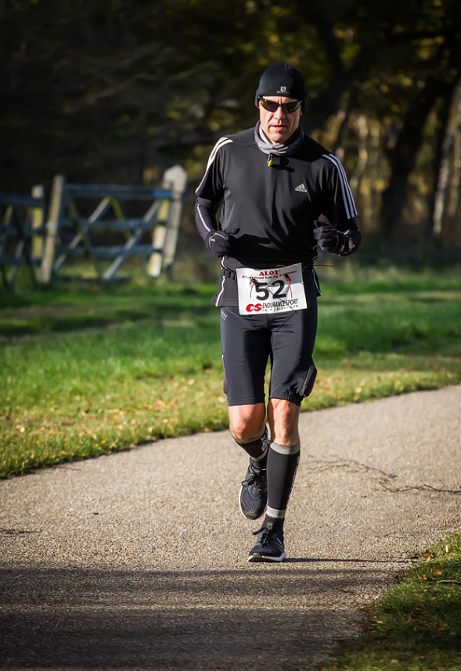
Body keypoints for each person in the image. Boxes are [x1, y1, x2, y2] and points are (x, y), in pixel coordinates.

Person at [194, 64, 361, 562]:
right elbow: (202, 199)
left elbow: (352, 232)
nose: (279, 115)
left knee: (284, 411)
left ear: (301, 110)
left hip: (295, 299)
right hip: (240, 294)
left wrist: (339, 241)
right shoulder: (229, 150)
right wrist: (210, 237)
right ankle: (260, 460)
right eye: (270, 105)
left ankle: (274, 530)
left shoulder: (323, 164)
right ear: (258, 106)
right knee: (245, 423)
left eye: (289, 107)